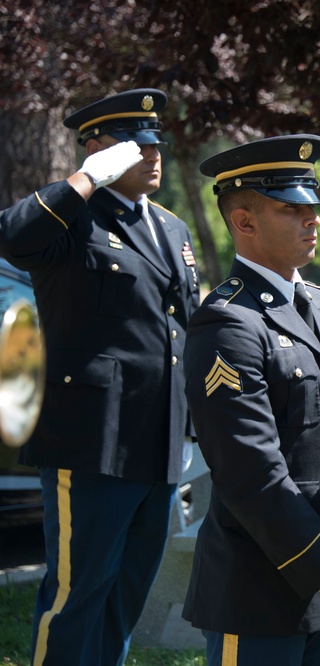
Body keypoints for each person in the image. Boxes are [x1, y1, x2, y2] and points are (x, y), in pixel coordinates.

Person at [182, 135, 320, 665]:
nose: (314, 219)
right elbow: (250, 472)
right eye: (293, 209)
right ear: (244, 222)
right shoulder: (229, 323)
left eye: (314, 207)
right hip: (260, 588)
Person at [0, 88, 200, 666]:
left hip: (158, 444)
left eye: (156, 143)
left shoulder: (172, 228)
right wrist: (86, 179)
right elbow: (13, 235)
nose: (153, 155)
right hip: (91, 440)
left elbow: (186, 327)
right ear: (99, 149)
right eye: (137, 145)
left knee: (124, 598)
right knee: (75, 596)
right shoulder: (73, 215)